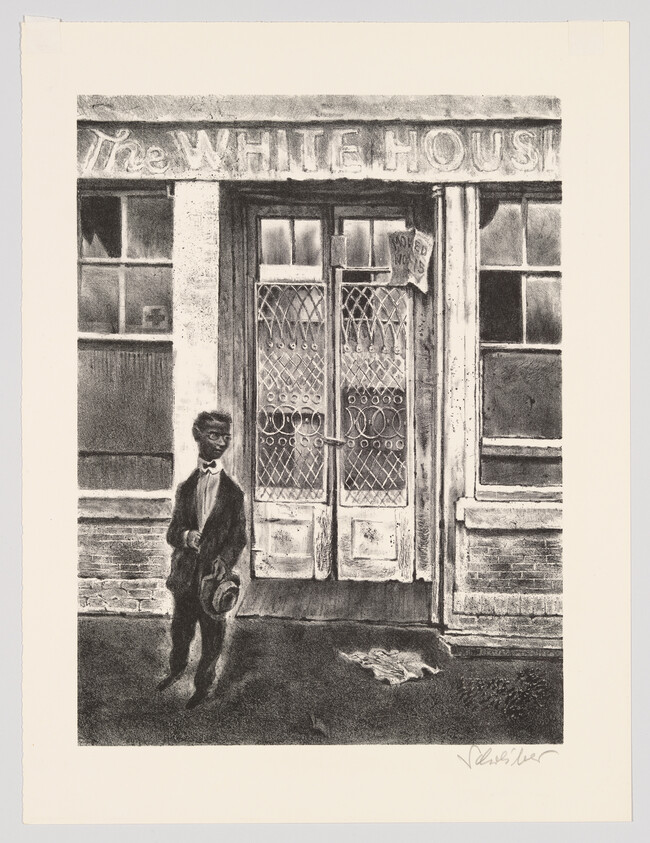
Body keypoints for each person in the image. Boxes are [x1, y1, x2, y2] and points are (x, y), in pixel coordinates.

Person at [157, 411, 247, 709]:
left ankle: (203, 686)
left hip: (213, 581)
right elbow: (172, 533)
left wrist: (225, 559)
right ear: (197, 435)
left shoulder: (233, 493)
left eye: (226, 437)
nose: (221, 442)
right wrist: (185, 536)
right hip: (185, 578)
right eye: (214, 435)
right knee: (180, 630)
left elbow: (239, 537)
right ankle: (176, 668)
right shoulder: (185, 489)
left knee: (212, 637)